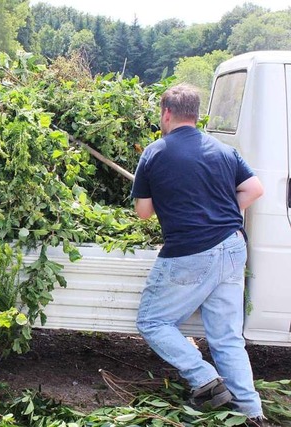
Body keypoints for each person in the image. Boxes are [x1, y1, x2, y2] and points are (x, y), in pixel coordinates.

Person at [131, 84, 267, 425]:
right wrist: (218, 211)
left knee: (153, 321)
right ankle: (252, 413)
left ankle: (204, 378)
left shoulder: (155, 153)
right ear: (195, 114)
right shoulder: (224, 150)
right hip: (233, 246)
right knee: (226, 336)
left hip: (192, 251)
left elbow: (143, 212)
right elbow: (254, 189)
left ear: (166, 113)